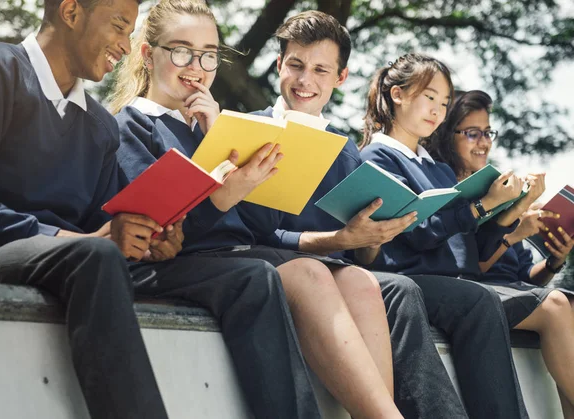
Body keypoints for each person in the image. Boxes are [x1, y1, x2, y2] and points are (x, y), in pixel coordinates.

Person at [109, 1, 402, 418]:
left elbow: (255, 226)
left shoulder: (212, 124)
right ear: (147, 53)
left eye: (209, 54)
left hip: (236, 253)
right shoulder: (133, 125)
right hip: (183, 262)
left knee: (359, 282)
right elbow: (160, 233)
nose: (196, 65)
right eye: (180, 51)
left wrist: (219, 138)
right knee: (307, 271)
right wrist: (224, 194)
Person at [235, 11, 491, 419]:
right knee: (374, 283)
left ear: (340, 78)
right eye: (296, 65)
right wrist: (340, 242)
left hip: (339, 268)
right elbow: (256, 233)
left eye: (321, 70)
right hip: (276, 264)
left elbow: (360, 253)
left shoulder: (344, 148)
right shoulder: (247, 132)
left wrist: (373, 237)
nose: (306, 81)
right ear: (279, 64)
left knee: (372, 282)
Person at [0, 0, 175, 417]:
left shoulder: (99, 125)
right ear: (70, 12)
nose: (125, 45)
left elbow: (103, 226)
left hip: (76, 262)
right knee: (96, 254)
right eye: (119, 27)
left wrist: (148, 238)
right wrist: (87, 241)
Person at [359, 53, 530, 418]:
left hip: (458, 283)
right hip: (411, 279)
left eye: (443, 102)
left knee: (494, 297)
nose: (437, 110)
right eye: (428, 97)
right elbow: (415, 232)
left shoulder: (437, 168)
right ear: (398, 95)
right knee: (479, 300)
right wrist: (481, 207)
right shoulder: (378, 156)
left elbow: (469, 246)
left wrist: (508, 208)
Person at [425, 89, 574, 418]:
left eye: (487, 132)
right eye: (472, 133)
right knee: (558, 305)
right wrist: (514, 229)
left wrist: (553, 260)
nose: (483, 142)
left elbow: (524, 278)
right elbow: (472, 266)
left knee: (567, 300)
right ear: (448, 136)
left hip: (512, 293)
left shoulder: (499, 188)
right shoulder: (448, 189)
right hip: (478, 296)